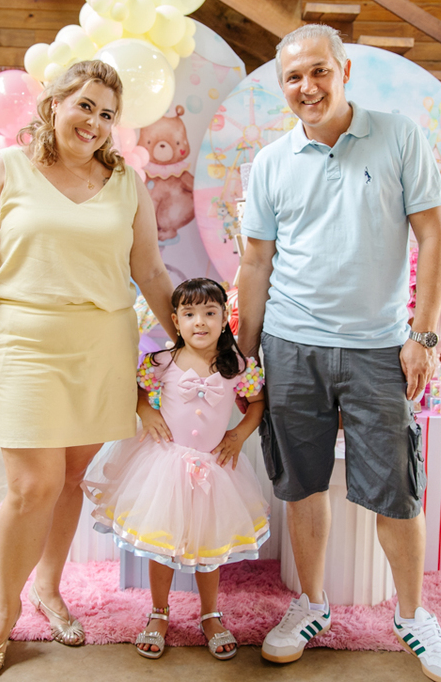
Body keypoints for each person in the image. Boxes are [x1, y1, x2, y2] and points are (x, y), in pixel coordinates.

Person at [237, 24, 441, 682]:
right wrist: (245, 357)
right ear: (282, 87)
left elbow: (434, 238)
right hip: (291, 345)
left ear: (343, 72)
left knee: (397, 491)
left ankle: (413, 615)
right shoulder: (271, 162)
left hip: (377, 348)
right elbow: (256, 263)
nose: (307, 86)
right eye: (293, 77)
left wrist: (423, 336)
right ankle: (311, 606)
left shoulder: (399, 137)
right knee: (302, 485)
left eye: (318, 71)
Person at [0, 60, 175, 681]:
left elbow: (150, 271)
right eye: (85, 106)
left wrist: (195, 345)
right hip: (25, 342)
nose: (95, 122)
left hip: (102, 345)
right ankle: (3, 612)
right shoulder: (8, 169)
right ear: (54, 104)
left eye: (107, 114)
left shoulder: (126, 182)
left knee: (72, 476)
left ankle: (49, 587)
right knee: (33, 485)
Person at [82, 278, 268, 662]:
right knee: (161, 544)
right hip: (165, 466)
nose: (200, 322)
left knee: (209, 546)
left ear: (224, 319)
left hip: (215, 470)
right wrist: (147, 412)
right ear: (176, 320)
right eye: (190, 313)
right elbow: (137, 391)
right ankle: (159, 611)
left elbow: (258, 403)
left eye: (210, 313)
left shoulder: (237, 366)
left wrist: (238, 435)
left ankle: (210, 614)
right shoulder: (162, 361)